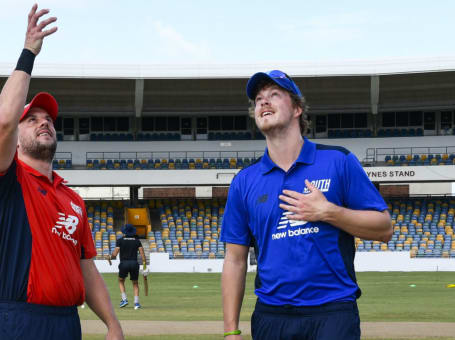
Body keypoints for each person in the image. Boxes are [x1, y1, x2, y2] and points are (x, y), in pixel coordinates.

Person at [220, 70, 392, 340]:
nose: (263, 102)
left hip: (333, 312)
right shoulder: (244, 181)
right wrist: (231, 330)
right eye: (258, 99)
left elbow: (384, 228)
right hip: (271, 316)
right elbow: (234, 259)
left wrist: (329, 212)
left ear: (298, 108)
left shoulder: (338, 161)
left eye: (274, 95)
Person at [0, 5, 124, 340]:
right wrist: (28, 53)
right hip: (18, 320)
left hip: (67, 323)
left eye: (49, 119)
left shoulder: (72, 199)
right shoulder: (9, 179)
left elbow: (86, 269)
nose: (44, 122)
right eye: (32, 119)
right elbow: (3, 121)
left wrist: (112, 323)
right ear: (17, 135)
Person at [109, 224, 147, 310]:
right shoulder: (137, 241)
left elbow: (114, 255)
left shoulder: (120, 240)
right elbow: (142, 255)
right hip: (134, 264)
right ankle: (136, 303)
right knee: (135, 283)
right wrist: (145, 266)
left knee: (121, 281)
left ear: (124, 232)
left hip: (124, 264)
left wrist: (110, 257)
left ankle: (124, 299)